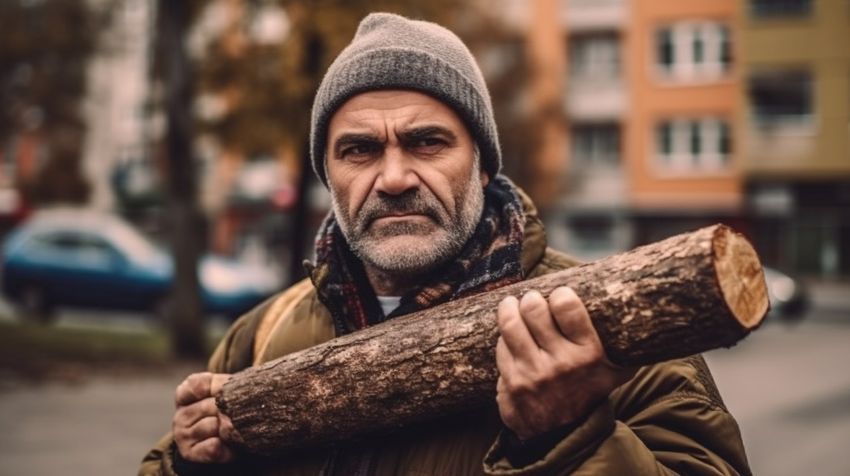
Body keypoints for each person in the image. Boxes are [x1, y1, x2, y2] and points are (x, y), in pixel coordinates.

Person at [140, 12, 751, 476]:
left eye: (427, 142)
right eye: (359, 150)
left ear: (482, 167)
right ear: (330, 177)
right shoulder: (261, 336)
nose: (395, 177)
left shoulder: (608, 336)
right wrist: (193, 464)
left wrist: (569, 436)